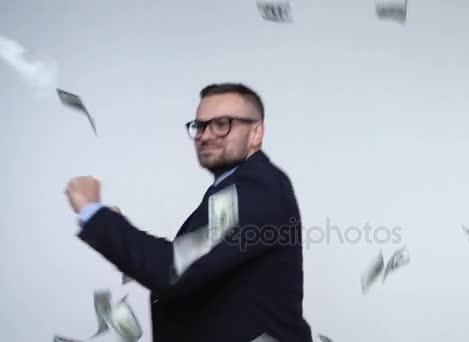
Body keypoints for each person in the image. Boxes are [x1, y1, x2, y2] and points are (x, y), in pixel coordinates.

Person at [64, 83, 313, 342]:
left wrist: (92, 211)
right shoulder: (234, 188)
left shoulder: (256, 186)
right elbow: (192, 265)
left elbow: (173, 268)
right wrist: (117, 228)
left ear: (256, 133)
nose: (205, 135)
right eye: (200, 126)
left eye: (222, 124)